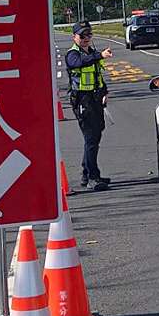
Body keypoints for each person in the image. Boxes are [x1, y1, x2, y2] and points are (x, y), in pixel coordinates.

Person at [66, 21, 113, 191]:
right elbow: (80, 63)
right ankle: (93, 177)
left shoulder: (92, 53)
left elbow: (97, 74)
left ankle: (87, 173)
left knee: (96, 134)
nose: (86, 38)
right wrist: (100, 55)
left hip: (96, 99)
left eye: (89, 35)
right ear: (74, 37)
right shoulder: (73, 54)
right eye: (82, 35)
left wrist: (104, 92)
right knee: (91, 138)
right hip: (82, 101)